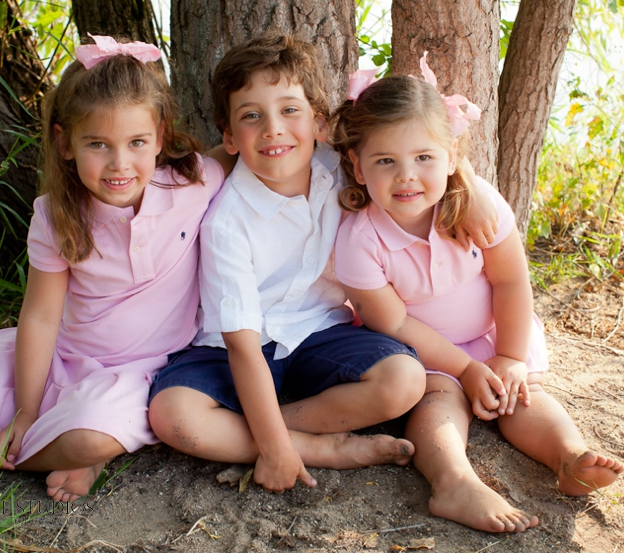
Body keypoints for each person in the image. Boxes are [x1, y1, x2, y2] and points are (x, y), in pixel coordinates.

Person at [147, 34, 498, 493]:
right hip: (232, 347)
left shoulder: (340, 167)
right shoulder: (227, 223)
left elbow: (412, 136)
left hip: (322, 332)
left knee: (404, 380)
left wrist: (465, 183)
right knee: (172, 415)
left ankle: (257, 431)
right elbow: (242, 347)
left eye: (289, 110)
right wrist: (274, 450)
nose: (273, 129)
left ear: (318, 122)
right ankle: (313, 446)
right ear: (229, 136)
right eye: (251, 116)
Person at [0, 35, 229, 502]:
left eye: (137, 142)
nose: (120, 164)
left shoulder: (191, 183)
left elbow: (230, 155)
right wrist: (25, 409)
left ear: (160, 138)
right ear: (65, 143)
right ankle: (44, 436)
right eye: (98, 144)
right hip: (64, 356)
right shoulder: (56, 216)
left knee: (90, 439)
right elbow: (40, 318)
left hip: (141, 373)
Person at [332, 54, 624, 532]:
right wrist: (464, 369)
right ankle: (453, 482)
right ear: (358, 167)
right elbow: (395, 323)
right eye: (386, 161)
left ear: (450, 156)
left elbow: (511, 279)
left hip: (493, 338)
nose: (407, 175)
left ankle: (569, 457)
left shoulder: (475, 206)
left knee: (521, 394)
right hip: (423, 351)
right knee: (437, 404)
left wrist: (508, 356)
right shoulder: (360, 241)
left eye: (424, 158)